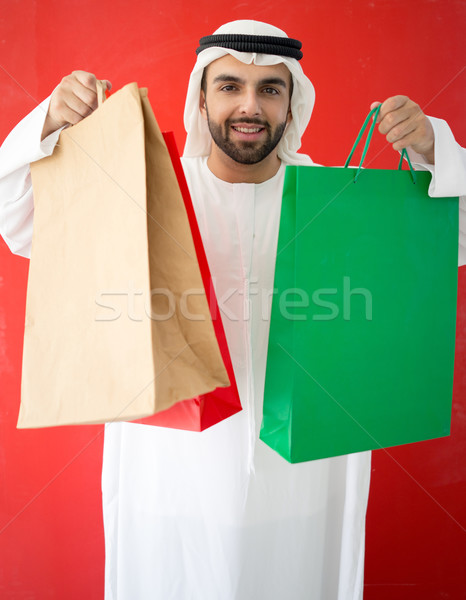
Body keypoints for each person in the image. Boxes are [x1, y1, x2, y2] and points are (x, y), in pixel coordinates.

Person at [0, 19, 465, 600]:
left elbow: (454, 236)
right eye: (229, 86)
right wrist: (48, 122)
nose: (250, 105)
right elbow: (16, 219)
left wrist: (432, 150)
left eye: (270, 88)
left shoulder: (340, 197)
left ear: (292, 100)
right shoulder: (143, 188)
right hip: (169, 482)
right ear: (201, 95)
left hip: (304, 487)